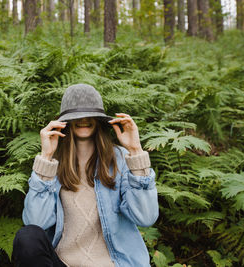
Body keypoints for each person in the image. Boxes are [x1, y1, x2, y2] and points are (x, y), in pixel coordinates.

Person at [12, 84, 159, 267]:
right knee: (27, 237)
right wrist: (46, 157)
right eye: (76, 116)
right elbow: (35, 222)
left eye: (90, 115)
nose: (83, 119)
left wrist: (135, 151)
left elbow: (146, 217)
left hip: (113, 264)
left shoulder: (120, 159)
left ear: (99, 120)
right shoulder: (53, 164)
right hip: (64, 263)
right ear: (65, 122)